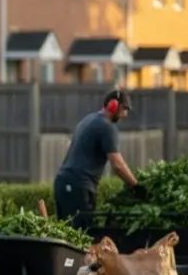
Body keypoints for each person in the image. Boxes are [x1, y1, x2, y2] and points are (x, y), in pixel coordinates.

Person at [53, 88, 146, 227]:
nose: (125, 114)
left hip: (62, 184)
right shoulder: (106, 127)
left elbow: (70, 146)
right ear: (113, 105)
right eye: (124, 109)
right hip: (79, 188)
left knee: (66, 234)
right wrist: (137, 186)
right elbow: (118, 166)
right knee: (81, 236)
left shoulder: (88, 119)